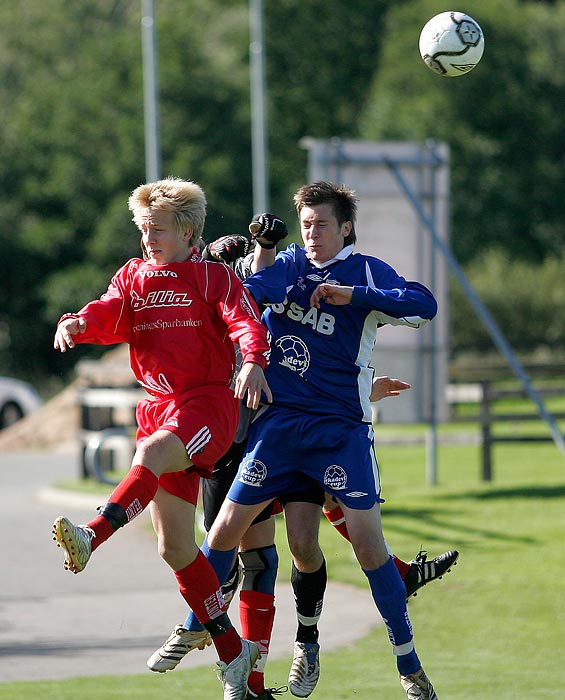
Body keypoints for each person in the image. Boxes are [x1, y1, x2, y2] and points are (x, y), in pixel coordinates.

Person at [148, 226, 458, 700]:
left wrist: (350, 298)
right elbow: (252, 292)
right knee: (226, 538)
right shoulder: (271, 269)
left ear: (345, 228)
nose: (310, 232)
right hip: (251, 429)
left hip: (322, 429)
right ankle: (218, 647)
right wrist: (260, 255)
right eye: (305, 222)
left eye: (320, 223)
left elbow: (420, 304)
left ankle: (362, 655)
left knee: (305, 545)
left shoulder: (362, 270)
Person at [51, 177, 271, 700]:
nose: (148, 238)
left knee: (149, 454)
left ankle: (92, 536)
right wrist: (79, 322)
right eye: (143, 229)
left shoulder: (211, 277)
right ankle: (232, 654)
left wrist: (255, 362)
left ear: (189, 230)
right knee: (174, 547)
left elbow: (244, 323)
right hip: (158, 408)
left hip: (206, 408)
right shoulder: (133, 276)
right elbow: (110, 312)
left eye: (158, 229)